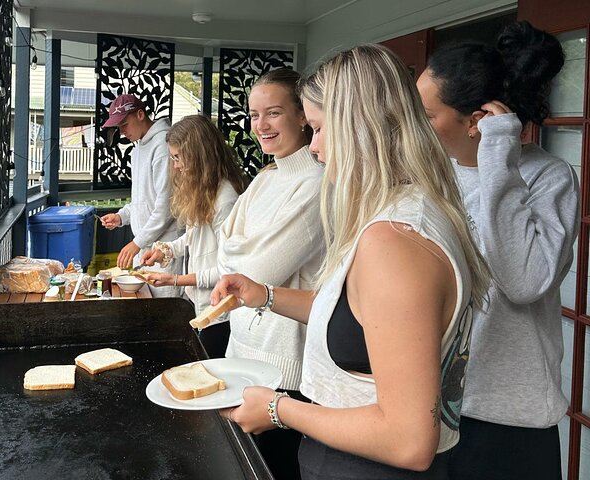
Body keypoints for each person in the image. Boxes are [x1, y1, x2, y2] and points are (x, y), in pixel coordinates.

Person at [211, 44, 491, 479]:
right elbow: (358, 318)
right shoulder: (400, 213)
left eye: (320, 128)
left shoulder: (396, 241)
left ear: (361, 127)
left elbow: (409, 439)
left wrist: (278, 408)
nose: (315, 147)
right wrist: (262, 295)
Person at [416, 21, 579, 480]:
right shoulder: (433, 178)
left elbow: (523, 281)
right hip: (433, 404)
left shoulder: (550, 178)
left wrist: (498, 153)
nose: (416, 124)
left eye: (427, 115)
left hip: (510, 420)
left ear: (476, 120)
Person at [216, 68, 325, 480]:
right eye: (254, 114)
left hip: (286, 367)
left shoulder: (316, 182)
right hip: (241, 349)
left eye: (273, 113)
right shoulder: (266, 178)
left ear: (303, 116)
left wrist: (242, 249)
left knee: (274, 470)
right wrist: (244, 249)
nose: (260, 125)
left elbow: (258, 270)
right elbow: (227, 251)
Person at [140, 115, 247, 356]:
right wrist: (165, 250)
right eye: (173, 157)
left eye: (178, 157)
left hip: (220, 313)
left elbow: (229, 271)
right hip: (201, 305)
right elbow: (193, 237)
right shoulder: (204, 189)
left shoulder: (225, 198)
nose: (176, 165)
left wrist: (176, 280)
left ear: (200, 155)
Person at [100, 93, 182, 297]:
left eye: (124, 124)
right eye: (119, 128)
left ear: (140, 114)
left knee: (165, 312)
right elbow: (142, 199)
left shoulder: (163, 147)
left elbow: (166, 207)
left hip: (165, 249)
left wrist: (136, 243)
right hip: (146, 247)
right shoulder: (138, 148)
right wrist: (122, 216)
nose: (122, 132)